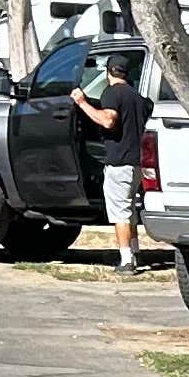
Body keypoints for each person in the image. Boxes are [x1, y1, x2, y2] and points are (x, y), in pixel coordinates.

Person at [74, 50, 150, 277]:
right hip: (138, 162)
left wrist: (82, 103)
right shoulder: (137, 97)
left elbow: (108, 120)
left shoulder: (112, 93)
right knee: (130, 212)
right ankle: (135, 252)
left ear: (109, 72)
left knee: (120, 213)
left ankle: (126, 260)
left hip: (119, 162)